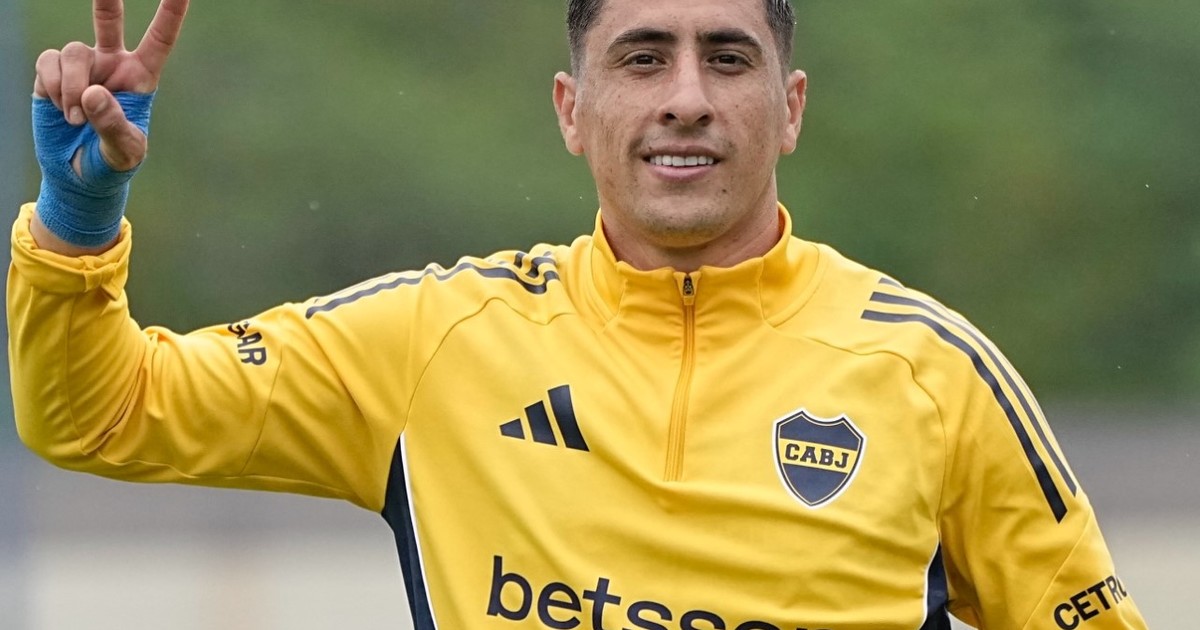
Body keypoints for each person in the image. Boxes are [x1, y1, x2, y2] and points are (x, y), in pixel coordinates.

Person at [9, 0, 1149, 628]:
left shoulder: (931, 372)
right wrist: (78, 217)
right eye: (642, 59)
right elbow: (98, 415)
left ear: (791, 107)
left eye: (729, 59)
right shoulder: (437, 341)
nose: (687, 98)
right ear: (571, 107)